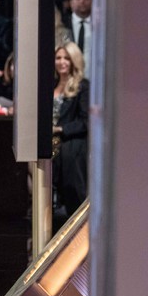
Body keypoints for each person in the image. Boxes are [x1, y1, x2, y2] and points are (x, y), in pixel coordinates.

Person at [52, 42, 89, 228]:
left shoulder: (82, 86)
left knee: (74, 199)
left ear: (74, 60)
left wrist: (59, 129)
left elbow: (85, 122)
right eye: (58, 58)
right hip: (49, 148)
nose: (62, 62)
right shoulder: (50, 84)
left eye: (66, 58)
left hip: (70, 149)